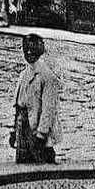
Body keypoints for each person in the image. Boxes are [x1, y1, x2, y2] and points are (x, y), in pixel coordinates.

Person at [9, 34, 60, 164]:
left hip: (38, 132)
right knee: (22, 167)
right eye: (26, 50)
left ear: (40, 51)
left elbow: (49, 109)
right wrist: (13, 131)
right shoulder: (24, 74)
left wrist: (41, 134)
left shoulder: (47, 76)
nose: (29, 53)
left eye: (33, 49)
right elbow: (17, 105)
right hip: (23, 129)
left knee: (42, 168)